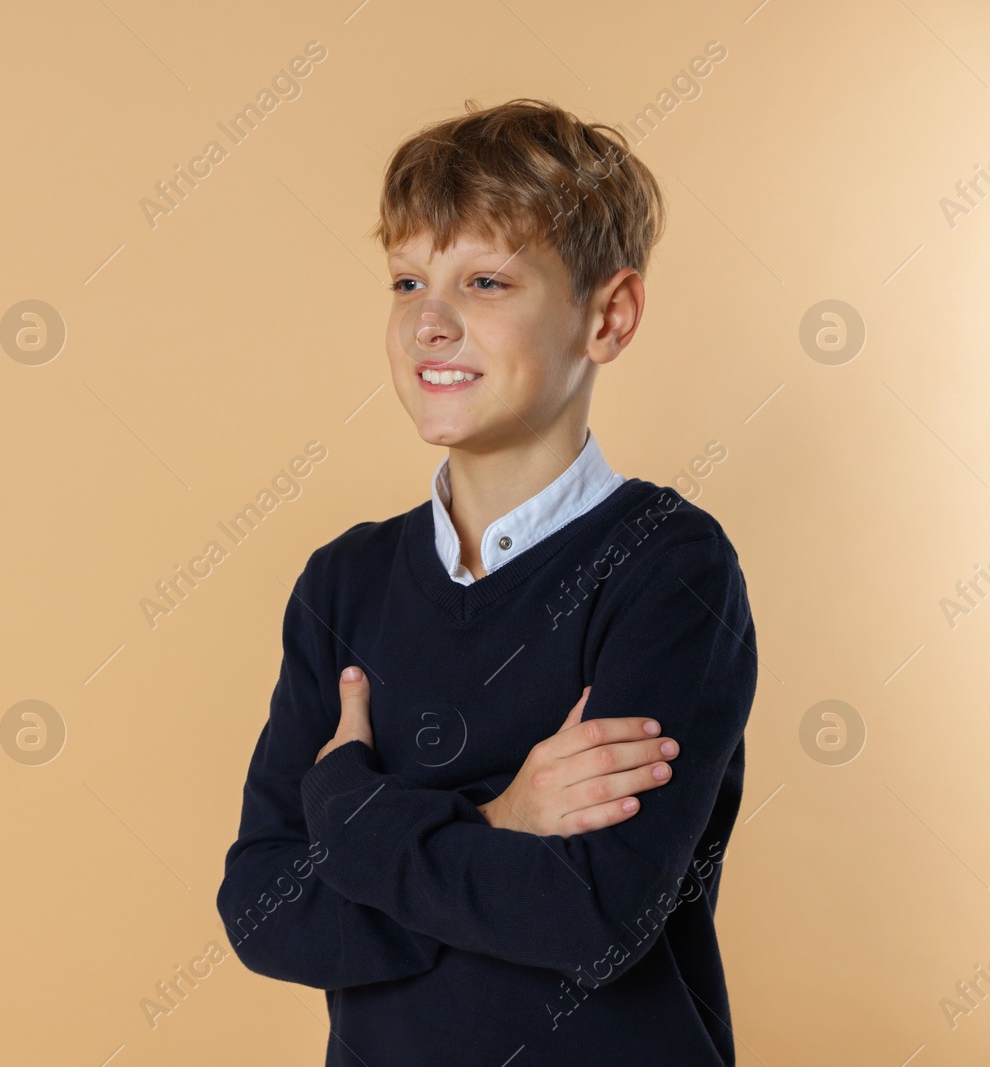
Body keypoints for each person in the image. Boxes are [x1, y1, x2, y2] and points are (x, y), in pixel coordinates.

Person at [215, 98, 758, 1065]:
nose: (431, 320)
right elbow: (264, 910)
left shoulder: (671, 567)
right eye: (408, 279)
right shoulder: (343, 583)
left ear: (609, 315)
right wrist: (501, 817)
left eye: (488, 281)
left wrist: (349, 806)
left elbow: (592, 916)